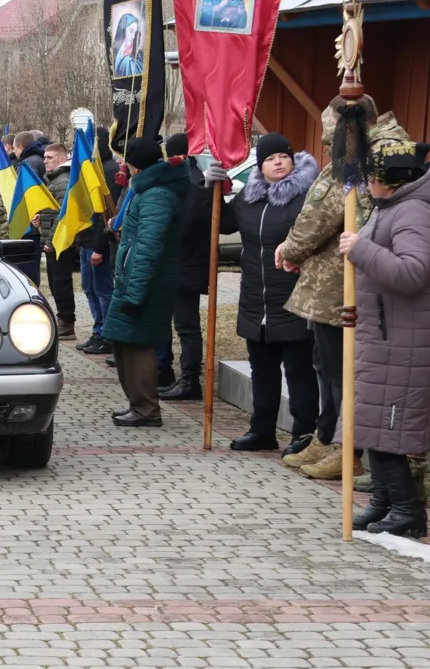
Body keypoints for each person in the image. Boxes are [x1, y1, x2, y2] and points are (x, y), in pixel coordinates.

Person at [339, 126, 430, 538]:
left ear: (391, 181)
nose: (367, 185)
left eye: (372, 178)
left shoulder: (416, 212)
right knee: (372, 425)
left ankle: (407, 511)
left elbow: (411, 273)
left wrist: (360, 248)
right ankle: (384, 503)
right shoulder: (392, 208)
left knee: (388, 430)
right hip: (385, 333)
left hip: (406, 340)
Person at [277, 98, 381, 478]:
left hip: (341, 285)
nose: (325, 137)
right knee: (326, 366)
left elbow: (320, 217)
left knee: (340, 371)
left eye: (330, 128)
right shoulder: (351, 157)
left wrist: (289, 249)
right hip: (327, 285)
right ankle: (326, 435)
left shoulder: (355, 162)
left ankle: (345, 447)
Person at [210, 133, 320, 451]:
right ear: (261, 166)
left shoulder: (307, 197)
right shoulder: (250, 198)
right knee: (262, 369)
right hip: (256, 299)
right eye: (270, 159)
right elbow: (222, 223)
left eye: (283, 157)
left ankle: (304, 433)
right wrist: (213, 190)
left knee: (299, 370)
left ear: (293, 160)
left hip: (294, 296)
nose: (277, 162)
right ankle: (262, 430)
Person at [103, 137, 189, 429]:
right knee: (123, 338)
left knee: (138, 343)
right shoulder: (146, 190)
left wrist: (135, 294)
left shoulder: (156, 195)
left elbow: (148, 248)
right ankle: (137, 404)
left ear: (133, 165)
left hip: (145, 284)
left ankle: (146, 409)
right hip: (133, 280)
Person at [157, 134, 215, 400]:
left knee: (187, 325)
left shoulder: (187, 183)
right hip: (185, 263)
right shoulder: (192, 177)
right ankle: (183, 376)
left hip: (184, 264)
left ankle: (190, 379)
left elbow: (185, 226)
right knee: (182, 323)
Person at [75, 135, 120, 355]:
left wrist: (99, 247)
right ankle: (98, 330)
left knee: (103, 291)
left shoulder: (108, 172)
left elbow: (105, 214)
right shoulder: (90, 169)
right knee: (89, 289)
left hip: (97, 243)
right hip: (86, 241)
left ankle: (108, 334)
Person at [34, 142, 77, 340]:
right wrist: (39, 218)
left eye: (49, 158)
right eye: (44, 157)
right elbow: (50, 212)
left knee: (61, 283)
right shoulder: (52, 179)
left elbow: (62, 216)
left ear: (62, 158)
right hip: (52, 241)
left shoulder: (62, 181)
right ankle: (63, 319)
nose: (45, 161)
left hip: (60, 243)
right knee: (54, 281)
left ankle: (67, 322)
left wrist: (51, 241)